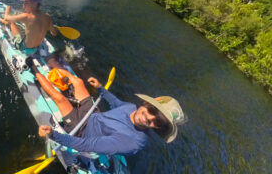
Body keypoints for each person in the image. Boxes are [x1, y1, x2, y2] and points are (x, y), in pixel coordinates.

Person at [34, 63, 185, 156]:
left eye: (157, 122)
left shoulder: (133, 142)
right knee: (79, 82)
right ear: (146, 104)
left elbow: (86, 145)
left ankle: (34, 70)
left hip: (81, 130)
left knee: (60, 98)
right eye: (153, 112)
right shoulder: (132, 107)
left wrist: (53, 135)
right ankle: (54, 69)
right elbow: (116, 103)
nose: (149, 119)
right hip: (93, 114)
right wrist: (100, 89)